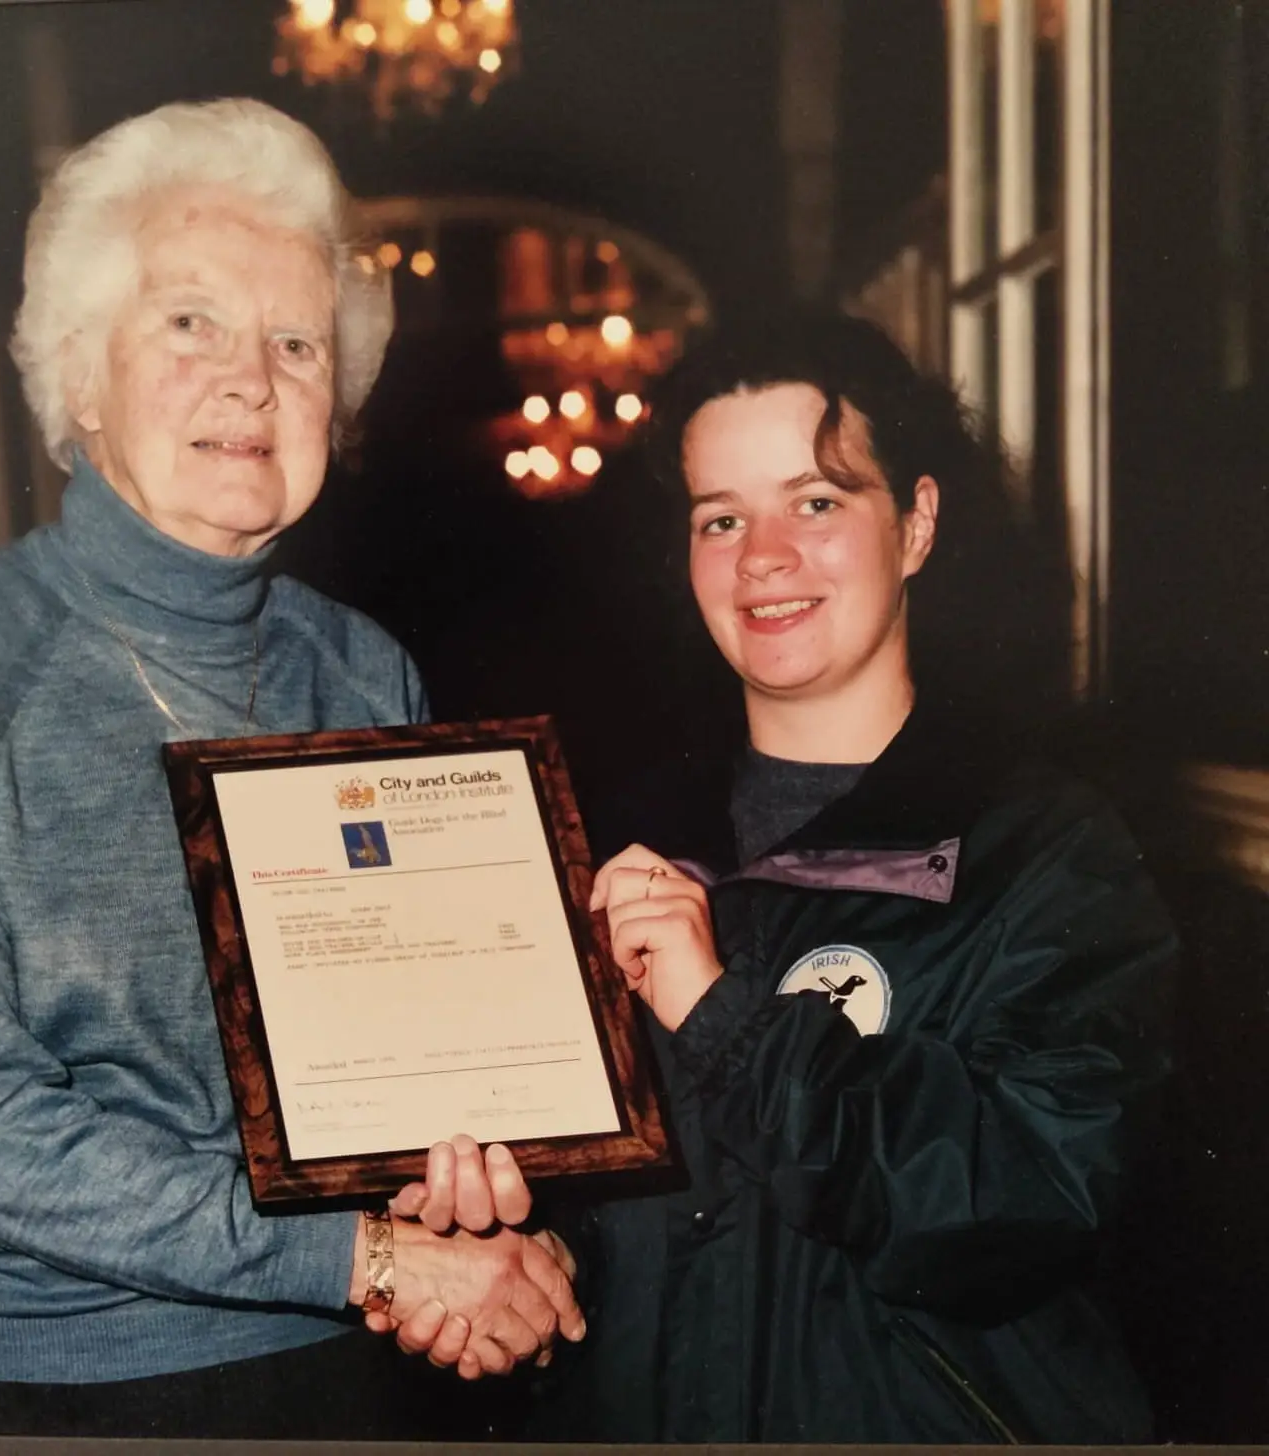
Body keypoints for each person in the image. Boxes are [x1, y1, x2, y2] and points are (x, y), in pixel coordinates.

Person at [0, 97, 580, 1440]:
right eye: (191, 323)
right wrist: (372, 1260)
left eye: (296, 342)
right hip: (33, 1376)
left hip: (332, 1344)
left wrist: (489, 1212)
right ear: (78, 370)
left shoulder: (360, 672)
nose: (253, 380)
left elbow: (411, 1070)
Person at [466, 312, 1173, 1443]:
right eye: (720, 517)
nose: (762, 557)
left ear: (919, 527)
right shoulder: (614, 841)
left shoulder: (1046, 852)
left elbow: (1024, 1204)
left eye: (817, 501)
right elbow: (629, 1207)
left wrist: (729, 1020)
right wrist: (530, 1255)